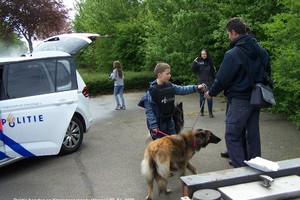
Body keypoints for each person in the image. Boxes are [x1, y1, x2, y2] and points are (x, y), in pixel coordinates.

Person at [204, 17, 271, 168]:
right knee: (252, 134)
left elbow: (222, 79)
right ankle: (255, 165)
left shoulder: (233, 54)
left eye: (228, 33)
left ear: (233, 32)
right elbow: (267, 71)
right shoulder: (261, 50)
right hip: (257, 98)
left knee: (232, 135)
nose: (228, 37)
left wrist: (211, 92)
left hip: (240, 99)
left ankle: (241, 171)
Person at [138, 63, 206, 140]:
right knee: (161, 147)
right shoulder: (150, 93)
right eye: (167, 73)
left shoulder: (170, 86)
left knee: (173, 143)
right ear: (159, 75)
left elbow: (182, 89)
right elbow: (149, 112)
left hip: (170, 121)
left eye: (170, 73)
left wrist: (197, 87)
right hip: (159, 125)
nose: (170, 75)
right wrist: (154, 126)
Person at [191, 49, 216, 118]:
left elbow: (214, 73)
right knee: (202, 98)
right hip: (201, 83)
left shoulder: (211, 62)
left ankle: (210, 112)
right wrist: (194, 62)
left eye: (205, 54)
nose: (204, 55)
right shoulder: (198, 63)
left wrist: (215, 81)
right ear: (201, 55)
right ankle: (201, 111)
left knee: (209, 98)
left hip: (210, 82)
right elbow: (193, 69)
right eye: (202, 54)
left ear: (207, 54)